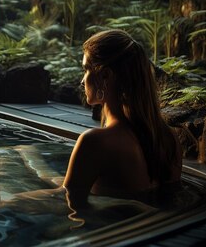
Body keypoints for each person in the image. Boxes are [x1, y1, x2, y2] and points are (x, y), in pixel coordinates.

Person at [62, 29, 182, 207]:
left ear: (105, 76)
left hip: (108, 231)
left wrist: (14, 200)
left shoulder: (94, 142)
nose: (82, 80)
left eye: (86, 69)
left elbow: (66, 200)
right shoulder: (168, 138)